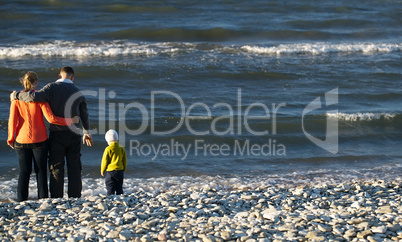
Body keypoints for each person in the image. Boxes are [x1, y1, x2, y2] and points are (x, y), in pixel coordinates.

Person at [11, 66, 93, 198]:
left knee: (56, 167)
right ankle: (75, 196)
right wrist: (87, 132)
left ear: (59, 76)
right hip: (75, 134)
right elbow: (84, 114)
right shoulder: (78, 92)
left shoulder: (51, 88)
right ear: (72, 77)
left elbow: (33, 96)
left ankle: (56, 198)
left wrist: (16, 95)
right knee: (75, 167)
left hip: (57, 134)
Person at [101, 129, 127, 196]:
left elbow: (105, 161)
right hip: (120, 171)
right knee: (119, 188)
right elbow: (124, 160)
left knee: (110, 187)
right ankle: (120, 199)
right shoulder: (121, 148)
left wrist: (102, 170)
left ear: (108, 140)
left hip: (110, 172)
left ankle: (110, 199)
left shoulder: (108, 149)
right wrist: (124, 169)